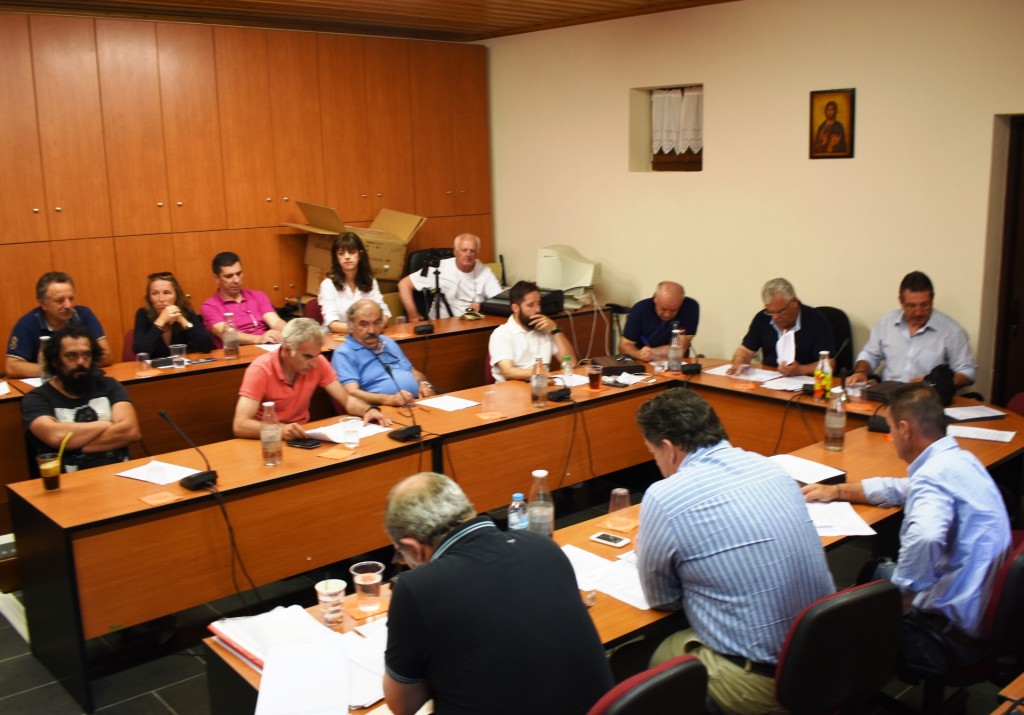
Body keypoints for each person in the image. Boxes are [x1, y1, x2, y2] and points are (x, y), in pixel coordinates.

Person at [635, 387, 834, 714]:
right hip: (825, 662)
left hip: (764, 684)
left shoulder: (665, 496)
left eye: (652, 453)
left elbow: (663, 599)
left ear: (669, 449)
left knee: (635, 660)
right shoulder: (770, 468)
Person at [802, 382, 1009, 673]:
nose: (891, 438)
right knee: (873, 572)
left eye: (890, 430)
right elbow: (899, 488)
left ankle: (846, 680)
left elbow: (926, 536)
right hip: (979, 612)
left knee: (825, 615)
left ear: (905, 428)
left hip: (947, 636)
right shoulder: (959, 461)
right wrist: (837, 491)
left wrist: (901, 594)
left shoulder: (933, 478)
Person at [382, 472, 613, 715]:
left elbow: (402, 706)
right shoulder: (542, 545)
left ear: (412, 547)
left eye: (400, 555)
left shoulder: (417, 587)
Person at [232, 318, 388, 440]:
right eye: (307, 357)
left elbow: (347, 400)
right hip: (269, 441)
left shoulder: (317, 361)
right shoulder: (260, 370)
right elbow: (240, 425)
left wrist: (369, 410)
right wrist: (281, 430)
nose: (313, 363)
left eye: (316, 355)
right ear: (287, 350)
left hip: (302, 435)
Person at [22, 324, 141, 472]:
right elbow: (57, 436)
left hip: (120, 476)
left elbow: (131, 431)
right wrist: (106, 424)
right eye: (71, 356)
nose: (80, 362)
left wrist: (73, 446)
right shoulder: (37, 398)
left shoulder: (109, 385)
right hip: (70, 483)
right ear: (55, 361)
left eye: (86, 355)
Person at [849, 271, 976, 387]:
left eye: (924, 305)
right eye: (911, 306)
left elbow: (968, 372)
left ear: (932, 300)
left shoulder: (952, 331)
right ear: (901, 301)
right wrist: (861, 372)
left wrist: (934, 382)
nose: (918, 312)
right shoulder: (886, 323)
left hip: (930, 398)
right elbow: (870, 354)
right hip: (888, 395)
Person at [6, 271, 113, 379]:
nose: (68, 305)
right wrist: (61, 369)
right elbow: (12, 367)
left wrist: (71, 368)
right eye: (60, 300)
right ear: (43, 303)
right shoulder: (27, 324)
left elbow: (106, 355)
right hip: (46, 385)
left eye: (71, 299)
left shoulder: (83, 315)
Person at [331, 300, 436, 407]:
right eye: (364, 324)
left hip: (417, 403)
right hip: (385, 408)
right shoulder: (344, 353)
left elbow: (413, 372)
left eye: (376, 323)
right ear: (351, 326)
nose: (371, 330)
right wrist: (388, 399)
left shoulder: (388, 342)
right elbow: (351, 393)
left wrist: (424, 384)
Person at [727, 277, 834, 377]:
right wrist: (740, 361)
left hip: (804, 382)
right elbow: (745, 350)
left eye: (780, 311)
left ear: (794, 302)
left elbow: (830, 363)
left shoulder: (816, 320)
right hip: (768, 380)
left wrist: (800, 370)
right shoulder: (762, 318)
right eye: (770, 312)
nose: (775, 317)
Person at [488, 280, 577, 382]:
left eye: (538, 304)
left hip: (543, 387)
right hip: (512, 389)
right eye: (531, 305)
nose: (537, 310)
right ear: (516, 308)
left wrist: (555, 329)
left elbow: (571, 363)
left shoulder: (545, 330)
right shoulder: (501, 334)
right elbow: (508, 371)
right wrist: (537, 373)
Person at [397, 234, 501, 321]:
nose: (468, 254)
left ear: (477, 253)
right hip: (444, 324)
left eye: (472, 251)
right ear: (455, 252)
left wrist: (482, 306)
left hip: (474, 324)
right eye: (464, 250)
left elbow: (499, 300)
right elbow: (404, 285)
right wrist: (413, 315)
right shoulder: (439, 268)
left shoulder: (485, 271)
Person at [201, 252, 288, 347]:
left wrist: (286, 332)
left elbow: (275, 322)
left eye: (239, 274)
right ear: (216, 278)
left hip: (266, 346)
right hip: (236, 352)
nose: (236, 280)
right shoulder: (209, 306)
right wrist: (259, 339)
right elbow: (227, 335)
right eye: (229, 276)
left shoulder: (258, 296)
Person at [318, 232, 391, 335]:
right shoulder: (328, 285)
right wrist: (365, 329)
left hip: (368, 336)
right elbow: (332, 325)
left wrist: (375, 328)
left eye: (351, 252)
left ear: (360, 254)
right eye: (341, 253)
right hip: (338, 338)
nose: (347, 257)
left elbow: (385, 314)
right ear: (336, 257)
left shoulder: (370, 281)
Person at [133, 271, 214, 358]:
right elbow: (140, 352)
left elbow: (207, 347)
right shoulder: (143, 314)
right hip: (155, 366)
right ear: (149, 298)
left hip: (182, 365)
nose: (161, 299)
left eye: (166, 293)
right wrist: (161, 320)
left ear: (176, 296)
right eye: (155, 293)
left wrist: (183, 320)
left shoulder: (186, 311)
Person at [617, 281, 700, 361]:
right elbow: (624, 346)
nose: (667, 314)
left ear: (681, 303)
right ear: (655, 298)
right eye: (663, 309)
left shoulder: (690, 307)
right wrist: (639, 354)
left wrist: (652, 352)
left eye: (673, 310)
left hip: (675, 363)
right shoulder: (640, 309)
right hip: (643, 363)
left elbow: (680, 348)